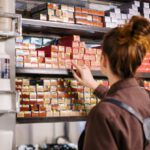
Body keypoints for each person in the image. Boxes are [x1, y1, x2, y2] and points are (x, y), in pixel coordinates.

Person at [72, 16, 150, 150]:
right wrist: (94, 85)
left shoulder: (102, 114)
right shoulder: (146, 97)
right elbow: (124, 103)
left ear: (103, 60)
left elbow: (117, 109)